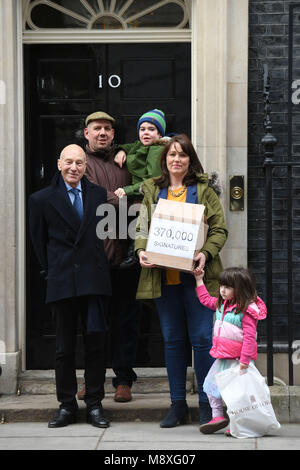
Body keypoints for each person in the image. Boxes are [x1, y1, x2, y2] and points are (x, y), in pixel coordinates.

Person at [134, 134, 228, 428]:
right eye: (172, 155)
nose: (176, 159)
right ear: (165, 160)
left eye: (182, 155)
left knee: (202, 341)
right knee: (173, 341)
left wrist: (205, 253)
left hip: (197, 281)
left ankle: (205, 403)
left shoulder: (203, 190)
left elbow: (220, 230)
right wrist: (140, 249)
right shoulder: (152, 188)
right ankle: (177, 405)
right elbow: (143, 225)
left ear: (190, 160)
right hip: (164, 279)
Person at [28, 144, 111, 428]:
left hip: (93, 281)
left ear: (86, 165)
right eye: (69, 162)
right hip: (62, 281)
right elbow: (38, 243)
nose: (74, 168)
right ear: (59, 163)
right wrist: (55, 270)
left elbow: (105, 235)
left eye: (79, 163)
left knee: (95, 345)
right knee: (64, 348)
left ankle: (95, 405)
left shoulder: (99, 195)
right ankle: (66, 405)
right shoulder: (41, 200)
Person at [79, 111, 139, 403]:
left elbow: (144, 192)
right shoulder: (80, 163)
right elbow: (90, 198)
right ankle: (92, 381)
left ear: (114, 135)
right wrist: (123, 197)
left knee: (124, 321)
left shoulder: (126, 162)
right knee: (93, 322)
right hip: (93, 257)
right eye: (97, 128)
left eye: (107, 129)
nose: (102, 133)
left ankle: (123, 380)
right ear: (86, 133)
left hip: (125, 255)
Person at [194, 266, 267, 435]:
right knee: (209, 386)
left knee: (236, 395)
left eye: (227, 287)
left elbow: (250, 337)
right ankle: (217, 416)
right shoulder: (221, 305)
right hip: (222, 358)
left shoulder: (246, 311)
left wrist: (244, 361)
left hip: (237, 361)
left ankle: (237, 423)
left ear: (239, 289)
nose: (222, 290)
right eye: (221, 286)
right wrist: (199, 280)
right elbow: (205, 299)